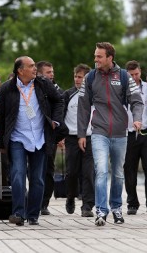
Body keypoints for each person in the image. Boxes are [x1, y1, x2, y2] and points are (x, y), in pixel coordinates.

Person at [78, 42, 143, 226]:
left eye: (99, 56)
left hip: (120, 133)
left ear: (109, 58)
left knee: (117, 174)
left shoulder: (123, 76)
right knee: (101, 171)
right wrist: (82, 133)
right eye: (95, 55)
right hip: (99, 131)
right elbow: (83, 107)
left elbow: (137, 101)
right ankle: (101, 210)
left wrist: (137, 119)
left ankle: (116, 208)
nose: (95, 59)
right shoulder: (90, 77)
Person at [0, 56, 64, 226]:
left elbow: (59, 100)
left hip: (39, 138)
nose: (35, 69)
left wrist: (55, 121)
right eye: (31, 66)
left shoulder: (43, 84)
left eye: (35, 66)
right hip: (17, 138)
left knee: (38, 179)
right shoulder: (7, 89)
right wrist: (2, 144)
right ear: (20, 70)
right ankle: (18, 213)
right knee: (18, 174)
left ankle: (33, 214)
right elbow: (0, 116)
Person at [123, 60, 147, 215]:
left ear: (140, 72)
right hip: (129, 134)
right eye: (131, 75)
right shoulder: (122, 89)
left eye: (136, 74)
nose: (134, 77)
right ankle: (132, 203)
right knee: (129, 169)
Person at [62, 63, 95, 217]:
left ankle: (87, 205)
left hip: (90, 137)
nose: (77, 79)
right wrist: (60, 136)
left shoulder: (94, 95)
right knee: (71, 172)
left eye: (80, 77)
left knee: (88, 172)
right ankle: (70, 196)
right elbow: (61, 116)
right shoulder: (67, 95)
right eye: (75, 76)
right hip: (71, 137)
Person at [36, 60, 64, 215]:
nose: (52, 75)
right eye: (48, 72)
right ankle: (33, 199)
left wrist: (60, 133)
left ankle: (44, 203)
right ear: (40, 74)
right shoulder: (32, 89)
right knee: (33, 169)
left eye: (52, 72)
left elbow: (61, 113)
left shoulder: (58, 91)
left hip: (50, 136)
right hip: (34, 135)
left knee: (48, 169)